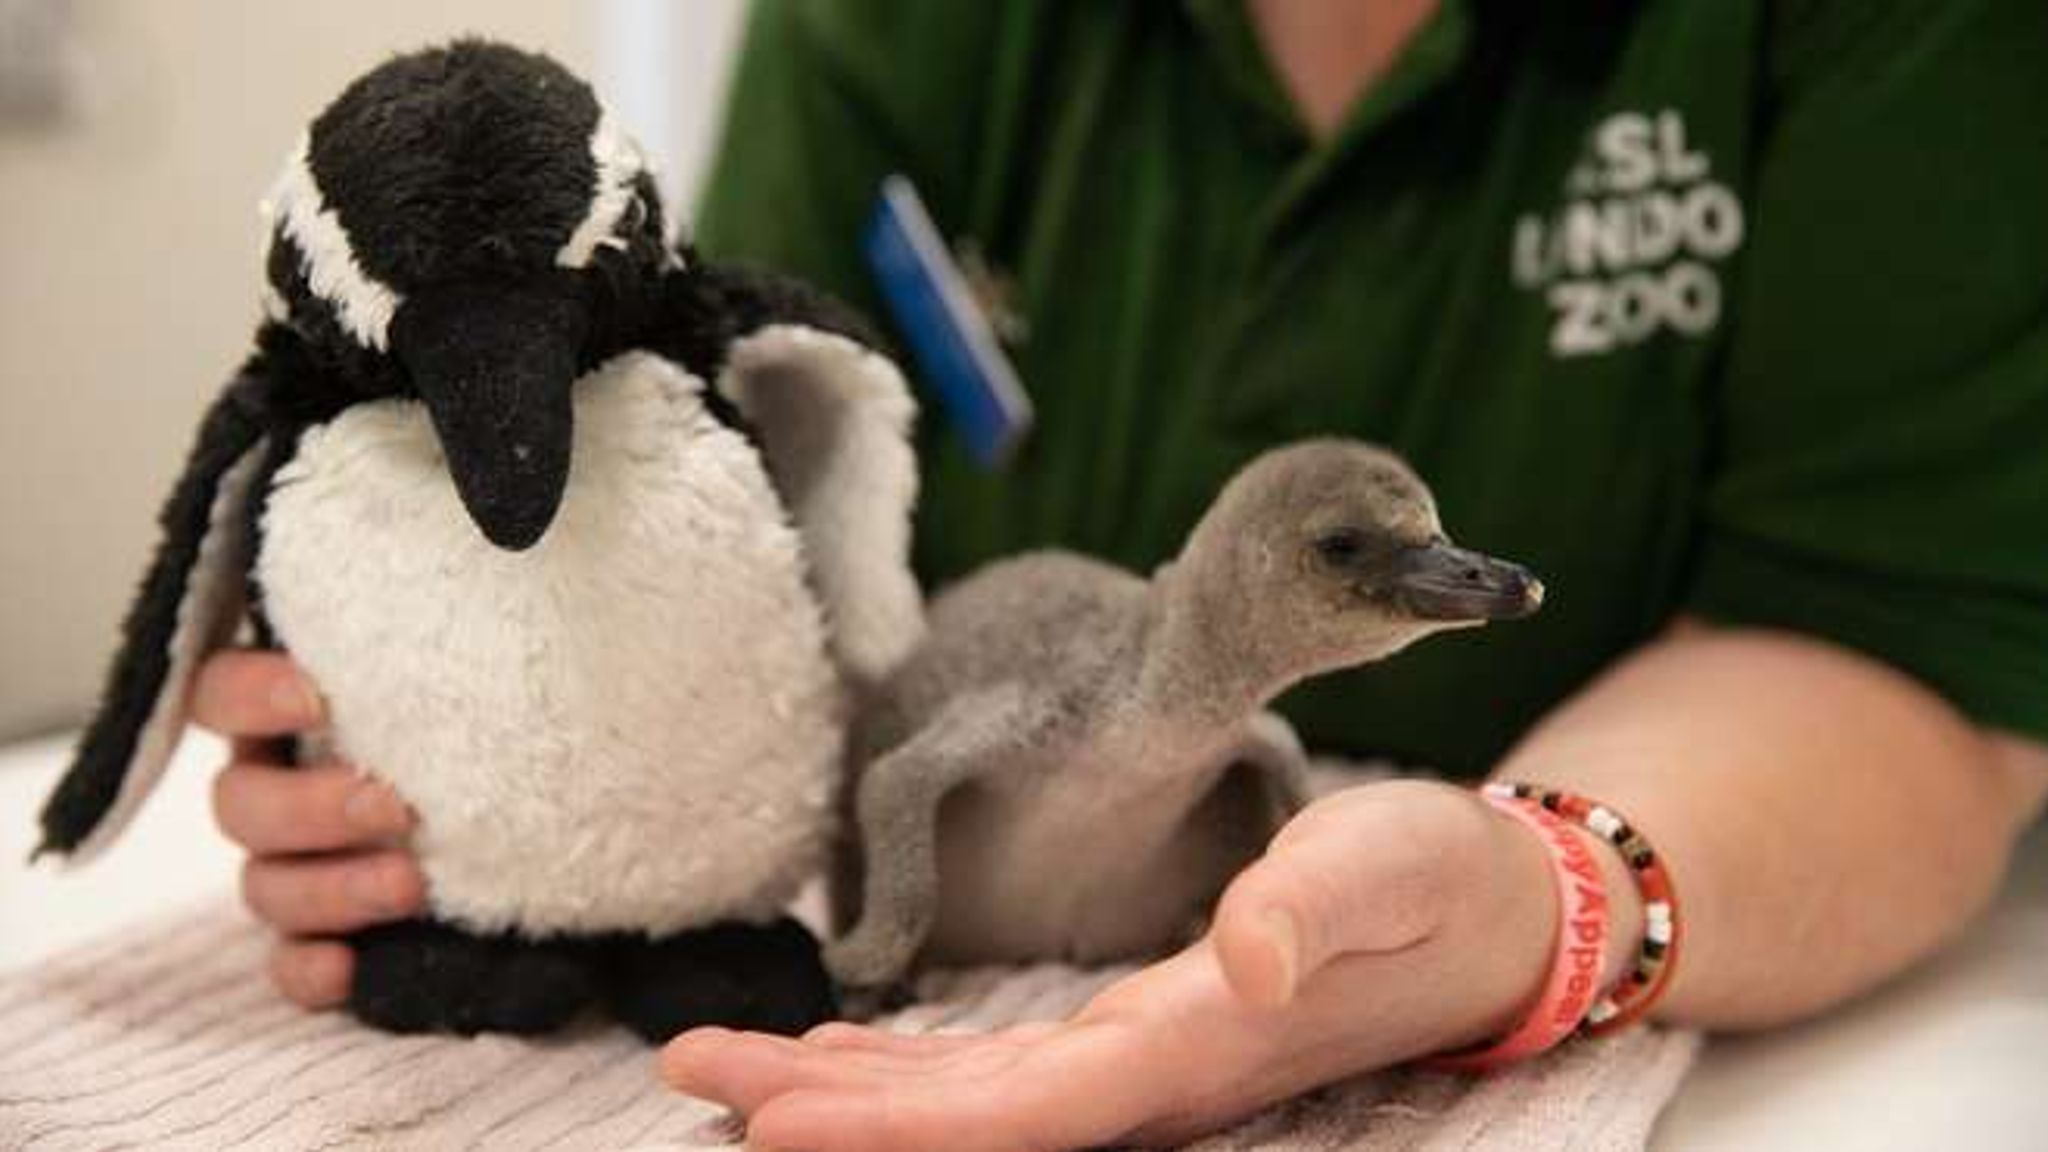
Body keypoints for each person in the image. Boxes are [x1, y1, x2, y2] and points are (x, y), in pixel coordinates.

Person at [201, 1, 2048, 1148]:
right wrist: (469, 723)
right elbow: (727, 532)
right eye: (1358, 562)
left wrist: (1526, 890)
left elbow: (1895, 628)